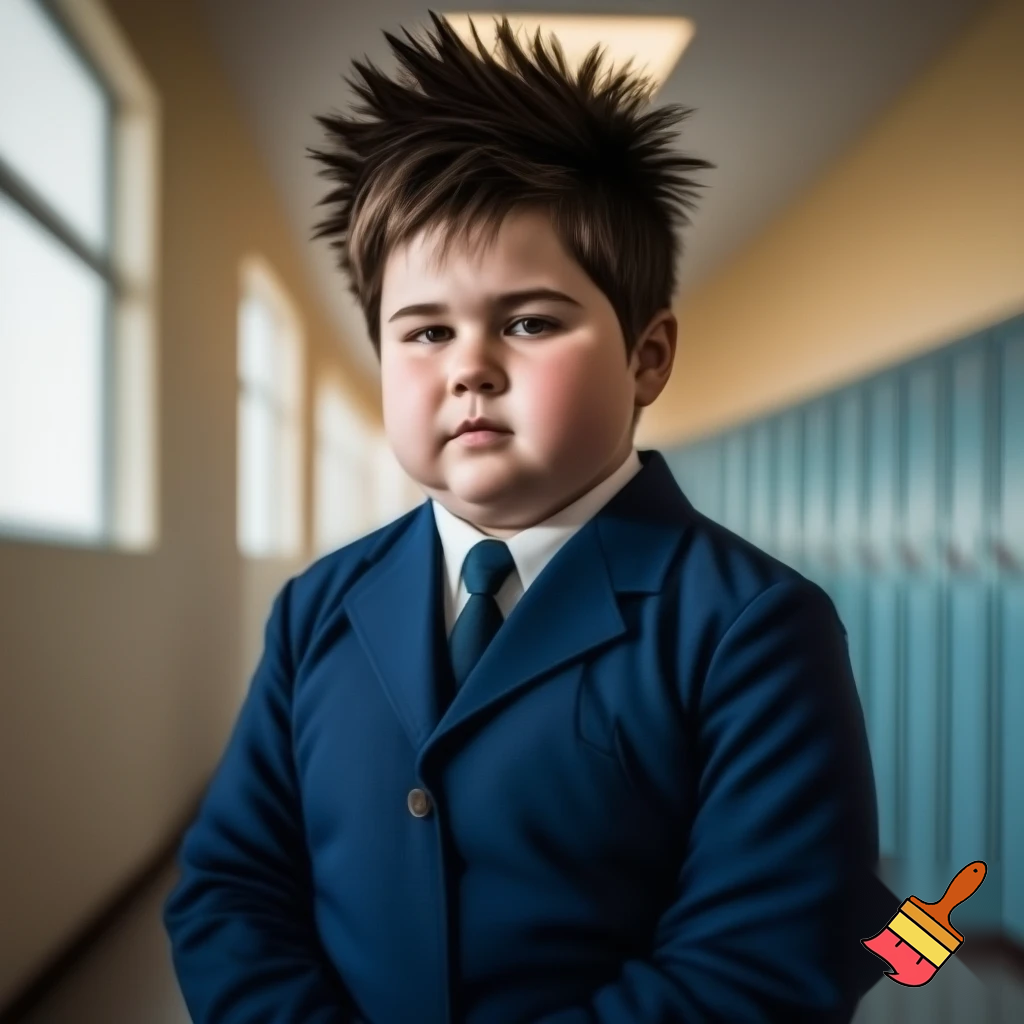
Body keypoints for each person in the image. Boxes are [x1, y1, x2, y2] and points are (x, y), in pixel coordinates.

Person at [164, 11, 893, 1022]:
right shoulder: (315, 609)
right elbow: (229, 888)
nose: (468, 365)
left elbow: (760, 963)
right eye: (422, 331)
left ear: (647, 355)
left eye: (528, 320)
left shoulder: (752, 627)